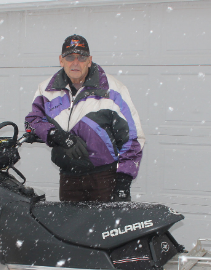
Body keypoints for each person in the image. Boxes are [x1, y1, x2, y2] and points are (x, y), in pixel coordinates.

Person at [25, 35, 145, 202]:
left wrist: (123, 182)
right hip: (69, 179)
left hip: (104, 179)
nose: (75, 63)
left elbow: (133, 138)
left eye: (81, 58)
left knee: (106, 228)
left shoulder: (113, 90)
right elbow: (33, 121)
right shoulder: (47, 90)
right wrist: (56, 135)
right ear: (61, 60)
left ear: (89, 60)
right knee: (70, 227)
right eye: (70, 57)